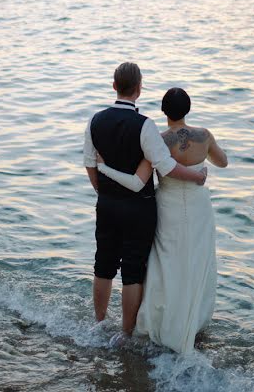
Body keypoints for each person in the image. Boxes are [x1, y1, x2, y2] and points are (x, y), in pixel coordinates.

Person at [95, 87, 228, 353]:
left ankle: (163, 321)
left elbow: (144, 175)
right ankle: (193, 321)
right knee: (197, 261)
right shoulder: (204, 135)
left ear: (164, 111)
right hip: (200, 207)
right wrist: (201, 160)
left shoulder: (158, 139)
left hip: (167, 207)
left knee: (166, 263)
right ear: (188, 109)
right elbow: (222, 162)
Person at [83, 63, 208, 339]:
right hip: (139, 207)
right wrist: (196, 176)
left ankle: (99, 324)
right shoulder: (145, 126)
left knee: (102, 265)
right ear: (139, 89)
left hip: (106, 204)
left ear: (114, 86)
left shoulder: (94, 121)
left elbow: (90, 165)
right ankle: (126, 333)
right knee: (133, 270)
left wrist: (104, 192)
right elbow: (166, 167)